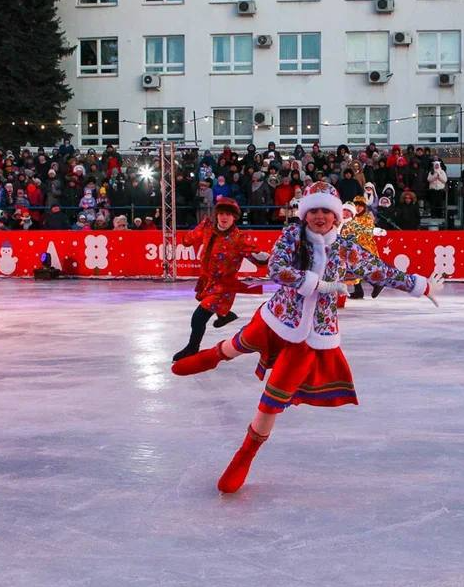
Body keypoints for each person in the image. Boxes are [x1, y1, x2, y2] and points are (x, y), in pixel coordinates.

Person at [171, 182, 442, 493]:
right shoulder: (292, 236)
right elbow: (275, 268)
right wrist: (317, 284)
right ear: (304, 213)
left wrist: (421, 286)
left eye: (326, 210)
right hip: (278, 317)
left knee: (271, 402)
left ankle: (245, 455)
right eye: (313, 210)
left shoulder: (346, 247)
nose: (320, 216)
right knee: (239, 345)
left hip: (312, 337)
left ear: (337, 216)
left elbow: (379, 271)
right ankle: (214, 356)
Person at [172, 197, 270, 361]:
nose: (224, 218)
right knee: (206, 308)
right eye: (222, 214)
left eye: (229, 215)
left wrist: (264, 257)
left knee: (198, 318)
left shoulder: (239, 238)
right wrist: (187, 239)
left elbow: (257, 258)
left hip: (223, 287)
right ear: (217, 215)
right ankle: (224, 315)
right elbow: (188, 239)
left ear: (234, 218)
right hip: (207, 281)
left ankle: (192, 348)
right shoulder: (207, 227)